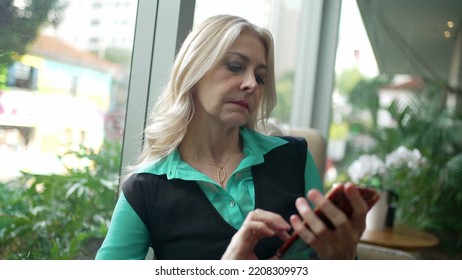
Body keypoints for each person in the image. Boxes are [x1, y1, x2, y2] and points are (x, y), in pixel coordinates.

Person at [95, 14, 369, 260]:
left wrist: (343, 258)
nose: (251, 84)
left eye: (260, 77)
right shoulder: (145, 189)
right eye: (236, 67)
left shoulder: (295, 157)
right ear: (194, 71)